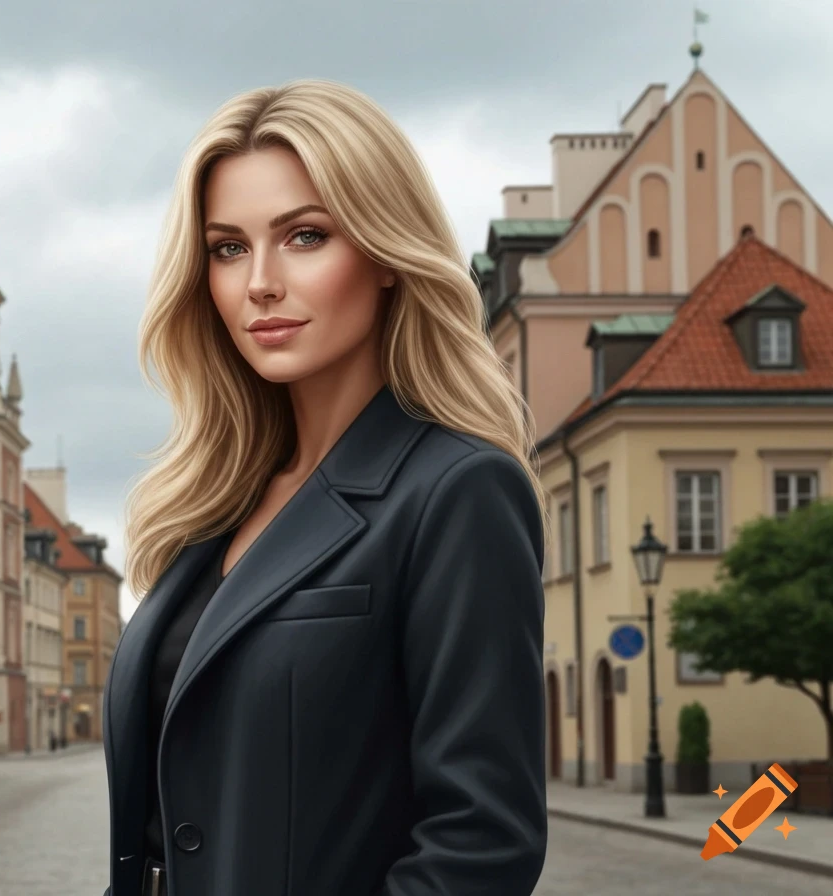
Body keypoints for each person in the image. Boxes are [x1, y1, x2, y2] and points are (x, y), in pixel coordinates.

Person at [101, 79, 549, 896]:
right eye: (227, 248)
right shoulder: (213, 504)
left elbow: (481, 845)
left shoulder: (457, 491)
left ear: (385, 255)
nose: (259, 282)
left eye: (304, 236)